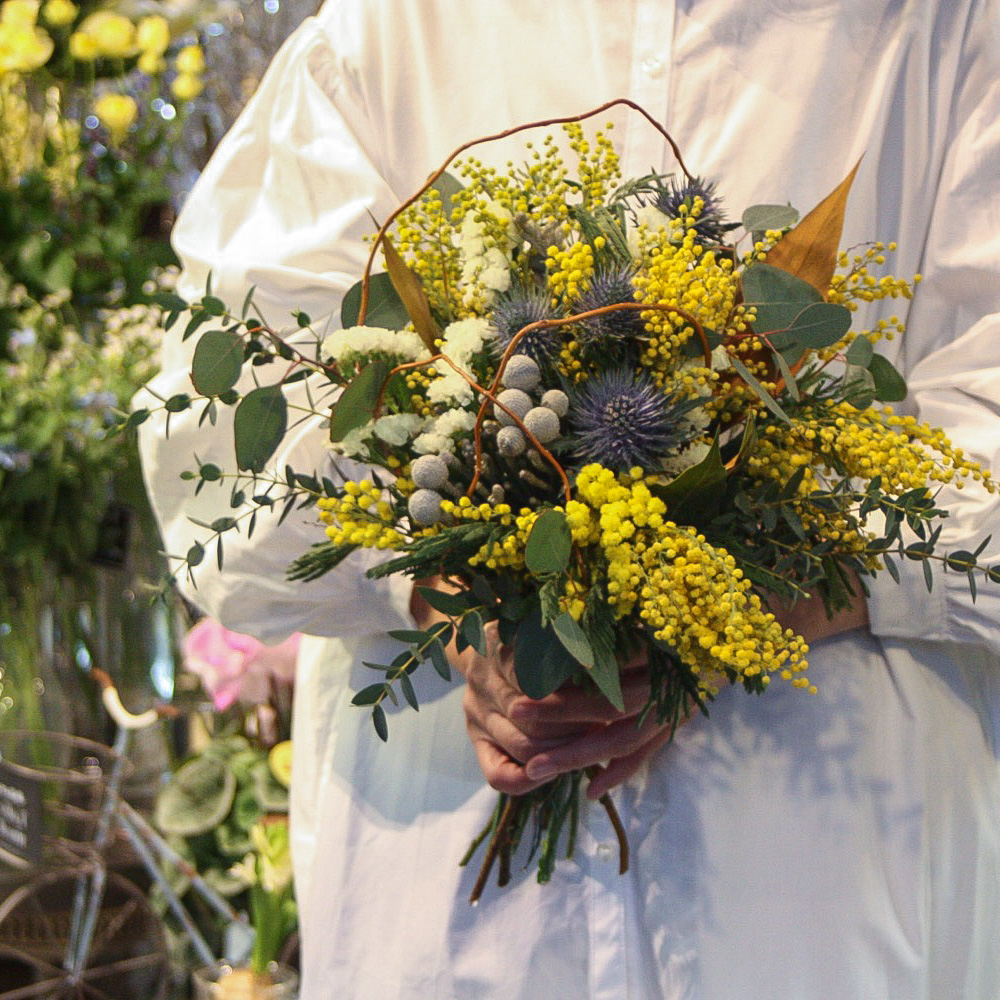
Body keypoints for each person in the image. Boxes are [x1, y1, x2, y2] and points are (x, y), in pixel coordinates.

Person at [138, 1, 1000, 996]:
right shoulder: (387, 34)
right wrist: (472, 612)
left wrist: (741, 600)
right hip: (447, 872)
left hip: (824, 876)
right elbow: (216, 433)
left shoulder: (946, 32)